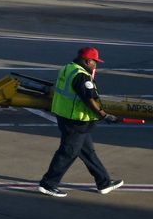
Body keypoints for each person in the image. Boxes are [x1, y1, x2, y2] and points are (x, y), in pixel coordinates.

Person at [38, 45, 126, 197]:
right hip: (76, 121)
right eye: (95, 62)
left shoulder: (67, 68)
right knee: (67, 152)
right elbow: (89, 100)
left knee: (88, 152)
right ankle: (48, 184)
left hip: (65, 115)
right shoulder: (82, 76)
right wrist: (105, 116)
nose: (96, 65)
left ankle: (103, 183)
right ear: (86, 61)